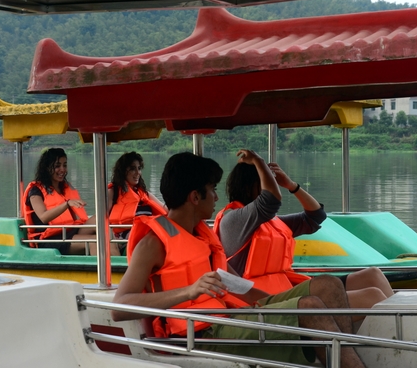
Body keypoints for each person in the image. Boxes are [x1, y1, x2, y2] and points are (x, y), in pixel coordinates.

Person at [111, 152, 366, 368]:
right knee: (308, 308)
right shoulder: (153, 243)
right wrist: (188, 291)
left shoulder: (202, 234)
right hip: (202, 334)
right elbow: (119, 307)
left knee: (328, 285)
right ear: (195, 197)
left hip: (230, 317)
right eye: (212, 190)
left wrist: (277, 304)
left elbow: (235, 284)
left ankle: (342, 360)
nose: (216, 197)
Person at [214, 149, 393, 320]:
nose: (272, 185)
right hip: (265, 303)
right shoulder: (234, 220)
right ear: (248, 187)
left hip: (286, 290)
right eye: (267, 181)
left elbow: (315, 216)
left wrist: (292, 186)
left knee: (373, 275)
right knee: (372, 296)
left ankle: (401, 330)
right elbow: (270, 200)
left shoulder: (271, 223)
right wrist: (259, 162)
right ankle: (398, 334)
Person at [23, 148, 119, 256]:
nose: (62, 169)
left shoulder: (65, 187)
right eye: (57, 166)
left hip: (69, 232)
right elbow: (43, 217)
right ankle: (111, 263)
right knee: (95, 241)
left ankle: (116, 251)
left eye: (64, 165)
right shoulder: (35, 190)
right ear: (46, 168)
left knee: (99, 219)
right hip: (49, 239)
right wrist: (67, 204)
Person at [107, 152, 167, 249]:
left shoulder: (144, 194)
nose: (138, 172)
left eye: (139, 168)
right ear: (122, 171)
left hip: (149, 234)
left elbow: (166, 210)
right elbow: (102, 219)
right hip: (128, 238)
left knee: (170, 234)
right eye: (132, 169)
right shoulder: (113, 192)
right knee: (153, 241)